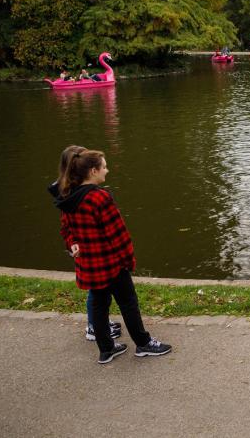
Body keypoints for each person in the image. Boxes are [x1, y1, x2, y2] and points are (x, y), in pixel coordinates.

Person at [56, 149, 172, 363]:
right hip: (110, 264)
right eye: (104, 166)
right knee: (128, 303)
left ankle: (107, 349)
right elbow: (118, 235)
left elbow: (66, 229)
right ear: (93, 171)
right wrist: (128, 260)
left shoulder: (69, 197)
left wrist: (72, 244)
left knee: (100, 305)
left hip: (89, 265)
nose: (106, 170)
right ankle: (143, 344)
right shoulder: (99, 198)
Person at [48, 145, 122, 343]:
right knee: (96, 291)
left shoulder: (74, 189)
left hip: (88, 248)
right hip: (89, 251)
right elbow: (66, 225)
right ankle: (94, 326)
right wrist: (72, 242)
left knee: (98, 290)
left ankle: (100, 323)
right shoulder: (70, 192)